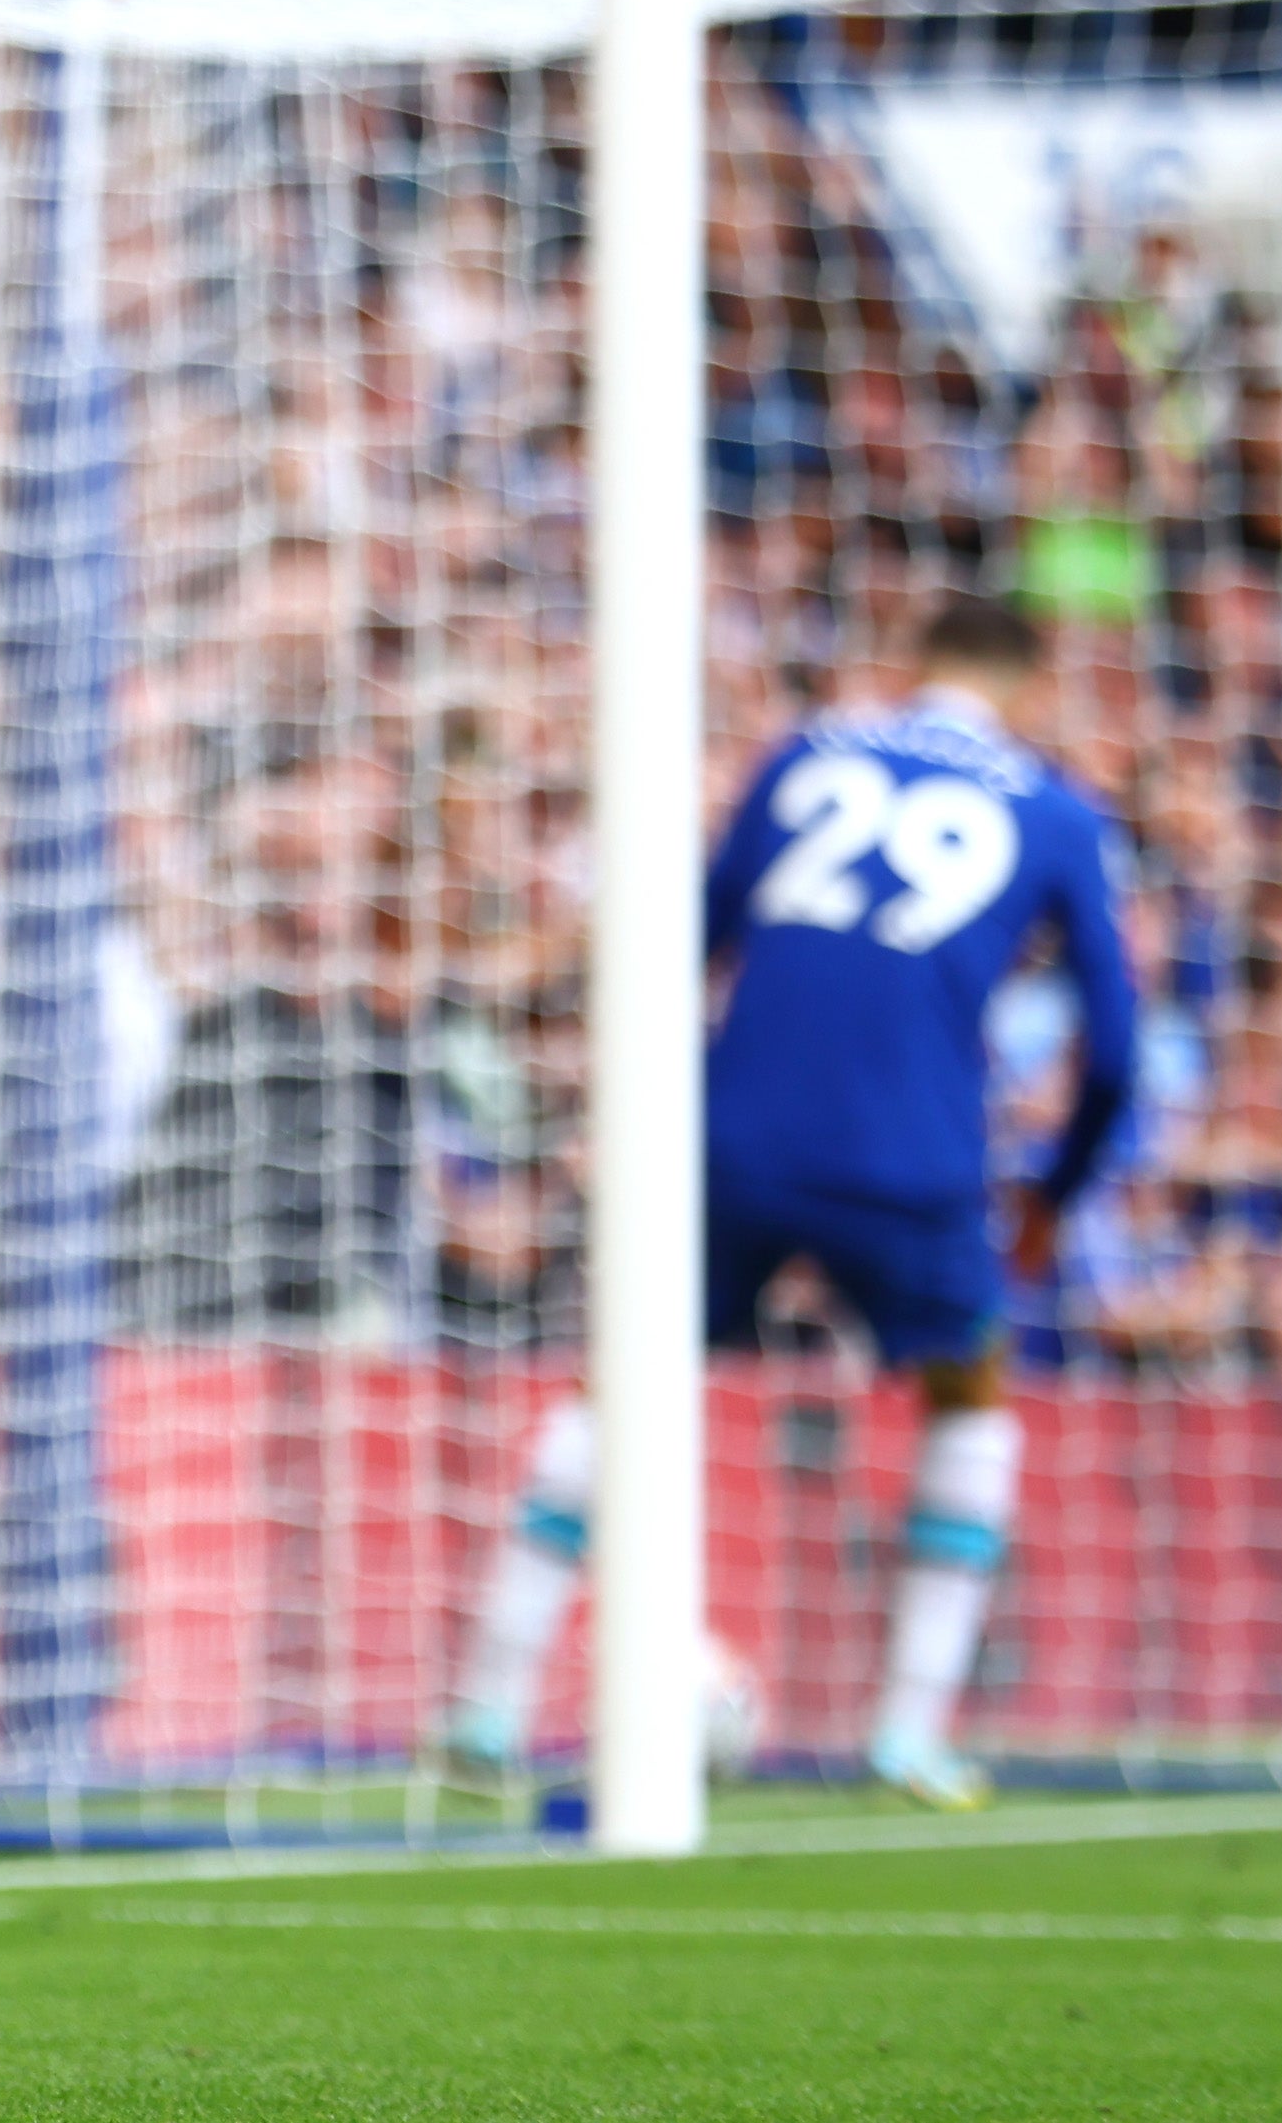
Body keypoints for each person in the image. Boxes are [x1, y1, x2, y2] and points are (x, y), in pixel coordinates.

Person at [440, 591, 1140, 1810]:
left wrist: (637, 1120)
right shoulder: (1052, 809)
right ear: (1028, 689)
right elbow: (1117, 1050)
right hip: (911, 1158)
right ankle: (905, 1736)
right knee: (966, 1393)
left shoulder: (807, 752)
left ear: (908, 664)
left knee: (620, 1378)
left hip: (732, 1134)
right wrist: (1052, 1196)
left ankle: (486, 1708)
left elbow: (687, 938)